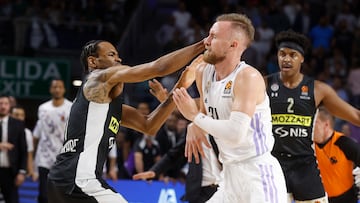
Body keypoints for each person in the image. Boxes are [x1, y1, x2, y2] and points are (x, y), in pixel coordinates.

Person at [47, 39, 205, 203]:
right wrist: (201, 45)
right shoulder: (97, 79)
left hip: (65, 180)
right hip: (77, 180)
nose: (118, 59)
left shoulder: (107, 106)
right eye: (111, 54)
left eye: (118, 55)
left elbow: (149, 126)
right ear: (93, 61)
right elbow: (158, 68)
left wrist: (180, 86)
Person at [172, 13, 287, 203]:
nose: (206, 41)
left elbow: (235, 133)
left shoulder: (247, 77)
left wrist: (195, 119)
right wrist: (195, 124)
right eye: (208, 35)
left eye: (214, 37)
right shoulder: (203, 72)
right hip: (228, 175)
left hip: (257, 175)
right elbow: (205, 112)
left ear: (233, 45)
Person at [266, 30, 360, 203]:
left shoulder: (317, 89)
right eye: (282, 54)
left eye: (292, 55)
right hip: (273, 164)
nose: (286, 59)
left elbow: (354, 115)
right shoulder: (263, 84)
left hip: (305, 165)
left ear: (302, 58)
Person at [33, 78, 72, 203]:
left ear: (64, 90)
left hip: (63, 159)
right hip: (44, 159)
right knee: (44, 195)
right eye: (54, 87)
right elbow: (38, 133)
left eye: (60, 87)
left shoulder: (70, 107)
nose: (57, 89)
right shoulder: (42, 108)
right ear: (50, 89)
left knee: (62, 195)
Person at [314, 106, 360, 203]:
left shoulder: (344, 143)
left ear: (326, 125)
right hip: (322, 199)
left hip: (347, 198)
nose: (311, 127)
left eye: (315, 123)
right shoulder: (309, 146)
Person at [0, 95, 27, 203]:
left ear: (10, 106)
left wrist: (22, 172)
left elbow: (23, 150)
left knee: (12, 199)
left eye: (5, 103)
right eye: (0, 103)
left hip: (10, 171)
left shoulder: (18, 124)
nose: (3, 106)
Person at [10, 105, 35, 180]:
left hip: (17, 170)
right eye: (16, 115)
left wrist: (31, 170)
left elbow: (29, 153)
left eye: (22, 115)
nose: (19, 118)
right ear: (10, 116)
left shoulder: (27, 133)